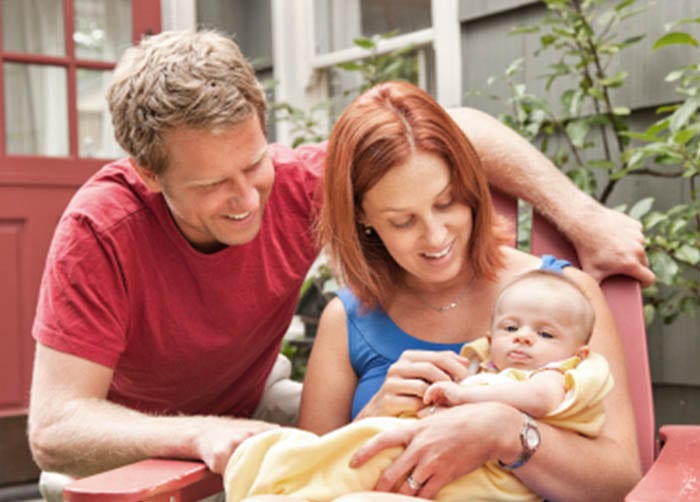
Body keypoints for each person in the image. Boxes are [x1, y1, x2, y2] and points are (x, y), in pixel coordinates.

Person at [27, 29, 648, 495]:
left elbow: (443, 133)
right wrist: (200, 434)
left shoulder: (295, 184)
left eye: (253, 164)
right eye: (212, 184)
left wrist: (584, 218)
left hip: (255, 398)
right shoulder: (102, 231)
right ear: (148, 173)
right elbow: (55, 427)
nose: (247, 200)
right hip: (138, 432)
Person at [295, 81, 641, 501]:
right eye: (403, 222)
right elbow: (304, 481)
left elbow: (622, 479)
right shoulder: (348, 320)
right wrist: (371, 417)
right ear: (363, 218)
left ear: (471, 189)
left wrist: (506, 431)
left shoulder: (563, 298)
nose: (436, 236)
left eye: (447, 203)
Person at [222, 268, 613, 502]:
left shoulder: (565, 374)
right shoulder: (485, 365)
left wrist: (473, 403)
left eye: (544, 333)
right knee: (339, 461)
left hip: (481, 490)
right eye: (512, 328)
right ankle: (268, 467)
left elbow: (538, 399)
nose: (525, 337)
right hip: (406, 474)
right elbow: (327, 434)